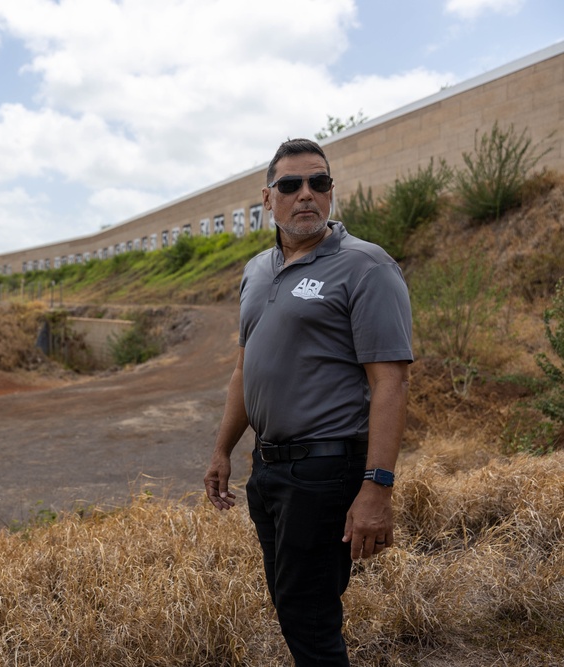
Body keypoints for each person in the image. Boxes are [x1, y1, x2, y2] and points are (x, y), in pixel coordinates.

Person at [203, 138, 413, 666]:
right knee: (294, 606)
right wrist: (223, 450)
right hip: (269, 470)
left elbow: (391, 382)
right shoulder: (257, 270)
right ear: (267, 198)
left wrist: (378, 487)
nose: (306, 195)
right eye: (291, 185)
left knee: (309, 617)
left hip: (326, 471)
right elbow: (244, 368)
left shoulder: (366, 267)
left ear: (330, 192)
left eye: (319, 183)